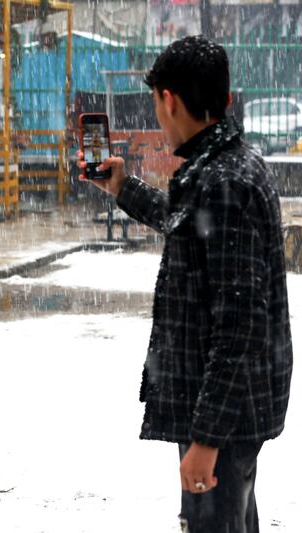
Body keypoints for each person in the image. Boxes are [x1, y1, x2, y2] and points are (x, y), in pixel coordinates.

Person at [78, 36, 293, 532]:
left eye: (156, 103)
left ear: (169, 99)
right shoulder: (227, 165)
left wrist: (206, 441)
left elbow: (239, 325)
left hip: (224, 410)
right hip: (236, 402)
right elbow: (188, 222)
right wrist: (122, 187)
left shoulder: (223, 181)